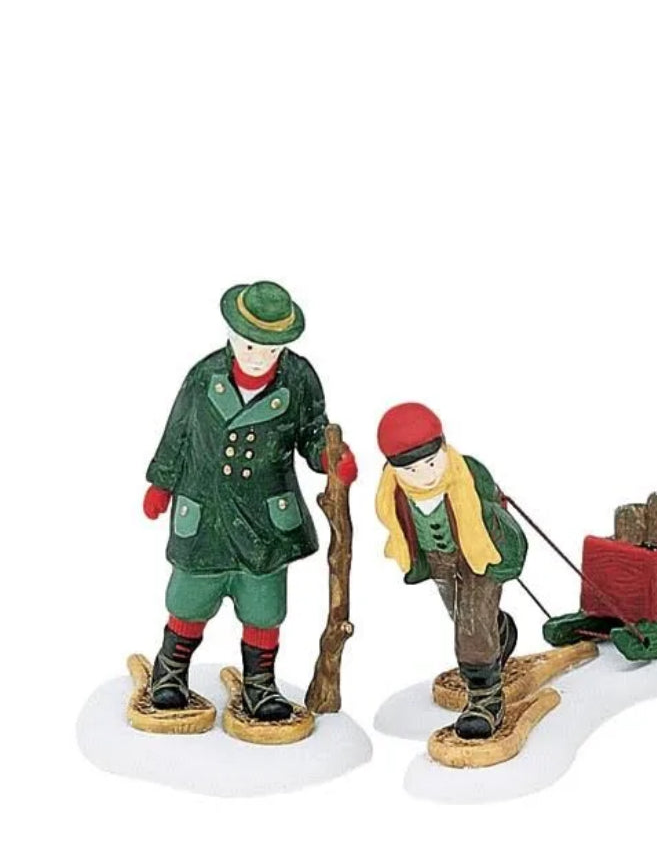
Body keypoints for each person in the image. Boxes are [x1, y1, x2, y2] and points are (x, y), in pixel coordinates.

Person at [142, 280, 357, 721]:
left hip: (265, 518)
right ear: (232, 334)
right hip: (206, 509)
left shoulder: (298, 379)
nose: (258, 356)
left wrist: (329, 457)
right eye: (250, 345)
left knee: (264, 605)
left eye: (270, 349)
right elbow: (177, 431)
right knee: (189, 596)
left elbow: (312, 430)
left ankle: (260, 683)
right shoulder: (205, 376)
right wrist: (161, 483)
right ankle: (170, 672)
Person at [375, 403, 526, 739]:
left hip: (479, 557)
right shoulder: (392, 493)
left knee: (470, 626)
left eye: (431, 462)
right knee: (460, 616)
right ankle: (501, 632)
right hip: (438, 559)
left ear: (443, 447)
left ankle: (485, 699)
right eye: (411, 470)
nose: (425, 475)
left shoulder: (466, 476)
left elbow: (496, 512)